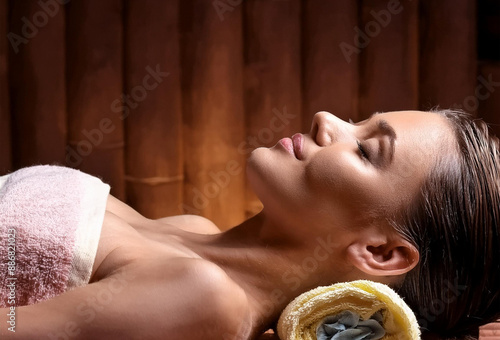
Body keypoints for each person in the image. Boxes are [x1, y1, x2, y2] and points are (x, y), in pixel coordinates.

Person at [0, 109, 498, 340]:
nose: (328, 120)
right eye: (359, 120)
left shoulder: (204, 298)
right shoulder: (190, 227)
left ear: (382, 253)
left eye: (367, 149)